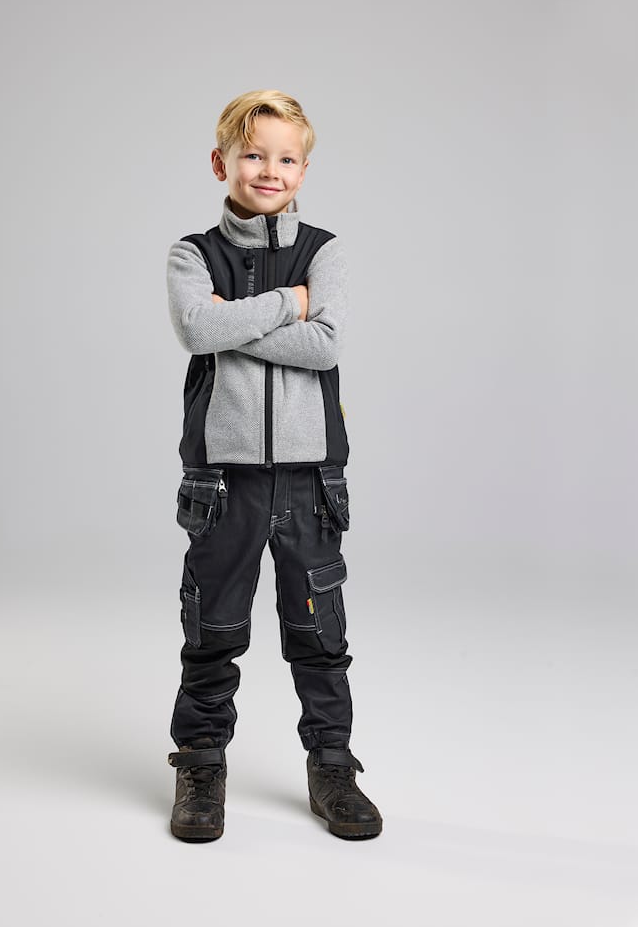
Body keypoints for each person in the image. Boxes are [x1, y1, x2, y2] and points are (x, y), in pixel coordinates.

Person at [166, 89, 382, 842]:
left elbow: (326, 346)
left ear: (304, 170)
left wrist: (230, 322)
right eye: (253, 154)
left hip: (309, 477)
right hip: (222, 481)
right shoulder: (194, 253)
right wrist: (290, 304)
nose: (269, 170)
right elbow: (195, 329)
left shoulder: (324, 250)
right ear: (221, 161)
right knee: (213, 627)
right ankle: (200, 765)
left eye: (286, 158)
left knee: (319, 633)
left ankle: (333, 767)